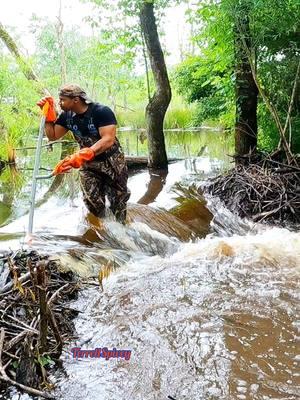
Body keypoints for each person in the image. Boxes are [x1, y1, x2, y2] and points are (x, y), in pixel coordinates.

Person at [37, 84, 130, 224]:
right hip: (88, 165)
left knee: (118, 200)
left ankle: (122, 228)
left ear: (76, 99)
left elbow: (108, 139)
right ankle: (105, 230)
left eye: (62, 100)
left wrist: (85, 153)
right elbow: (53, 135)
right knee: (92, 201)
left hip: (111, 161)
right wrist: (48, 116)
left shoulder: (101, 111)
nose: (60, 103)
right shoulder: (66, 117)